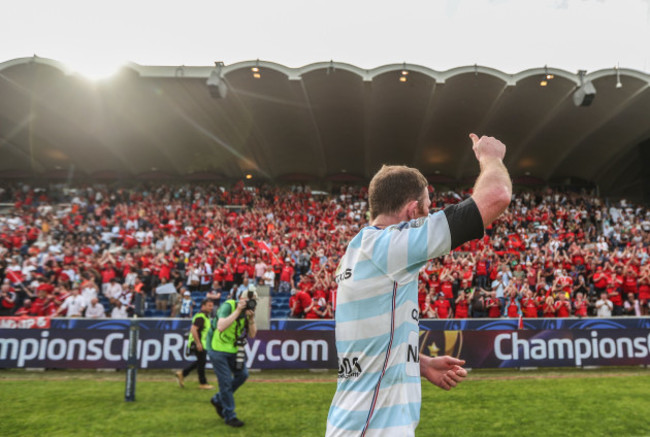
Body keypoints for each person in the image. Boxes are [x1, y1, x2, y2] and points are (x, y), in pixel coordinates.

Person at [326, 134, 511, 436]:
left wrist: (419, 363)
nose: (430, 214)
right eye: (428, 208)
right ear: (412, 212)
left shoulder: (359, 249)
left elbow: (369, 342)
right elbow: (497, 195)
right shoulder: (388, 247)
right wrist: (490, 157)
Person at [208, 289, 258, 428]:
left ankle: (218, 399)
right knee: (225, 383)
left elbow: (252, 335)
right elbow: (221, 326)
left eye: (254, 301)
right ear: (241, 299)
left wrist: (252, 319)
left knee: (243, 375)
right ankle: (230, 416)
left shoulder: (248, 313)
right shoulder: (228, 305)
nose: (251, 304)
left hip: (234, 349)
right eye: (248, 300)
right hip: (218, 349)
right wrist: (237, 311)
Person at [176, 299, 214, 389]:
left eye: (212, 306)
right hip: (198, 343)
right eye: (209, 305)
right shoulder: (201, 317)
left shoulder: (204, 316)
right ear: (203, 306)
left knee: (200, 362)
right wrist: (198, 343)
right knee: (201, 363)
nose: (211, 308)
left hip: (202, 343)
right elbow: (193, 329)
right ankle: (203, 383)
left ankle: (182, 373)